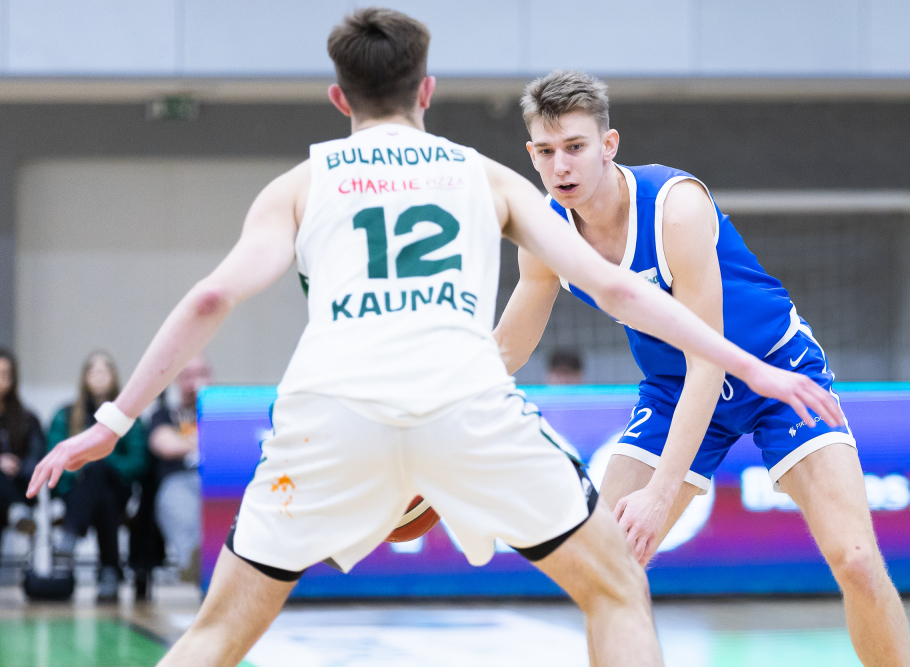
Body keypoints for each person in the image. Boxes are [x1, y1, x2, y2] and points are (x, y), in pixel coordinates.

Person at [30, 9, 840, 667]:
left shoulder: (301, 184)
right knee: (616, 589)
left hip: (327, 417)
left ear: (338, 98)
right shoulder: (485, 176)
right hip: (466, 409)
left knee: (216, 633)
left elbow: (212, 295)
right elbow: (618, 288)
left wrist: (112, 420)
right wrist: (751, 367)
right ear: (427, 89)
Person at [493, 70, 910, 665]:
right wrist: (435, 409)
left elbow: (708, 357)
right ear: (531, 153)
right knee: (607, 573)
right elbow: (509, 346)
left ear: (609, 145)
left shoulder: (675, 206)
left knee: (858, 562)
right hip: (673, 390)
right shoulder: (544, 230)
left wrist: (662, 492)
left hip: (773, 369)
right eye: (546, 151)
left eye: (575, 147)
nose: (561, 166)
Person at [47, 351, 147, 602]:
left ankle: (70, 537)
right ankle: (110, 570)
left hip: (118, 486)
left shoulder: (130, 418)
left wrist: (100, 457)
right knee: (101, 494)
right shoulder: (65, 414)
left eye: (105, 370)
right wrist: (87, 466)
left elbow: (137, 463)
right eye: (93, 370)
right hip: (76, 489)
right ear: (85, 377)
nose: (99, 376)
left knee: (99, 470)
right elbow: (55, 457)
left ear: (114, 376)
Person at [148, 355, 212, 583]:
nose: (194, 382)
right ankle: (195, 562)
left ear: (210, 377)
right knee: (176, 502)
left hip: (219, 479)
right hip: (179, 480)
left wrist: (185, 441)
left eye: (200, 374)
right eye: (187, 376)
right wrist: (208, 440)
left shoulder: (222, 410)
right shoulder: (164, 414)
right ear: (177, 380)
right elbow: (164, 445)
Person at [0, 349, 46, 556]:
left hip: (20, 486)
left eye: (4, 374)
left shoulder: (28, 419)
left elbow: (38, 459)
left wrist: (17, 466)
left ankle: (15, 509)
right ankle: (15, 510)